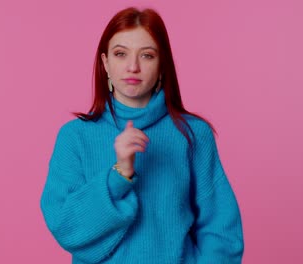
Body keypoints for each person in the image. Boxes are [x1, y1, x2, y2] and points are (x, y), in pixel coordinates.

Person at [40, 7, 244, 264]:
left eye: (147, 55)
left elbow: (222, 229)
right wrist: (120, 174)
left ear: (162, 65)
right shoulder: (75, 137)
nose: (133, 66)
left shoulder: (192, 134)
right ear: (105, 64)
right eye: (120, 54)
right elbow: (66, 227)